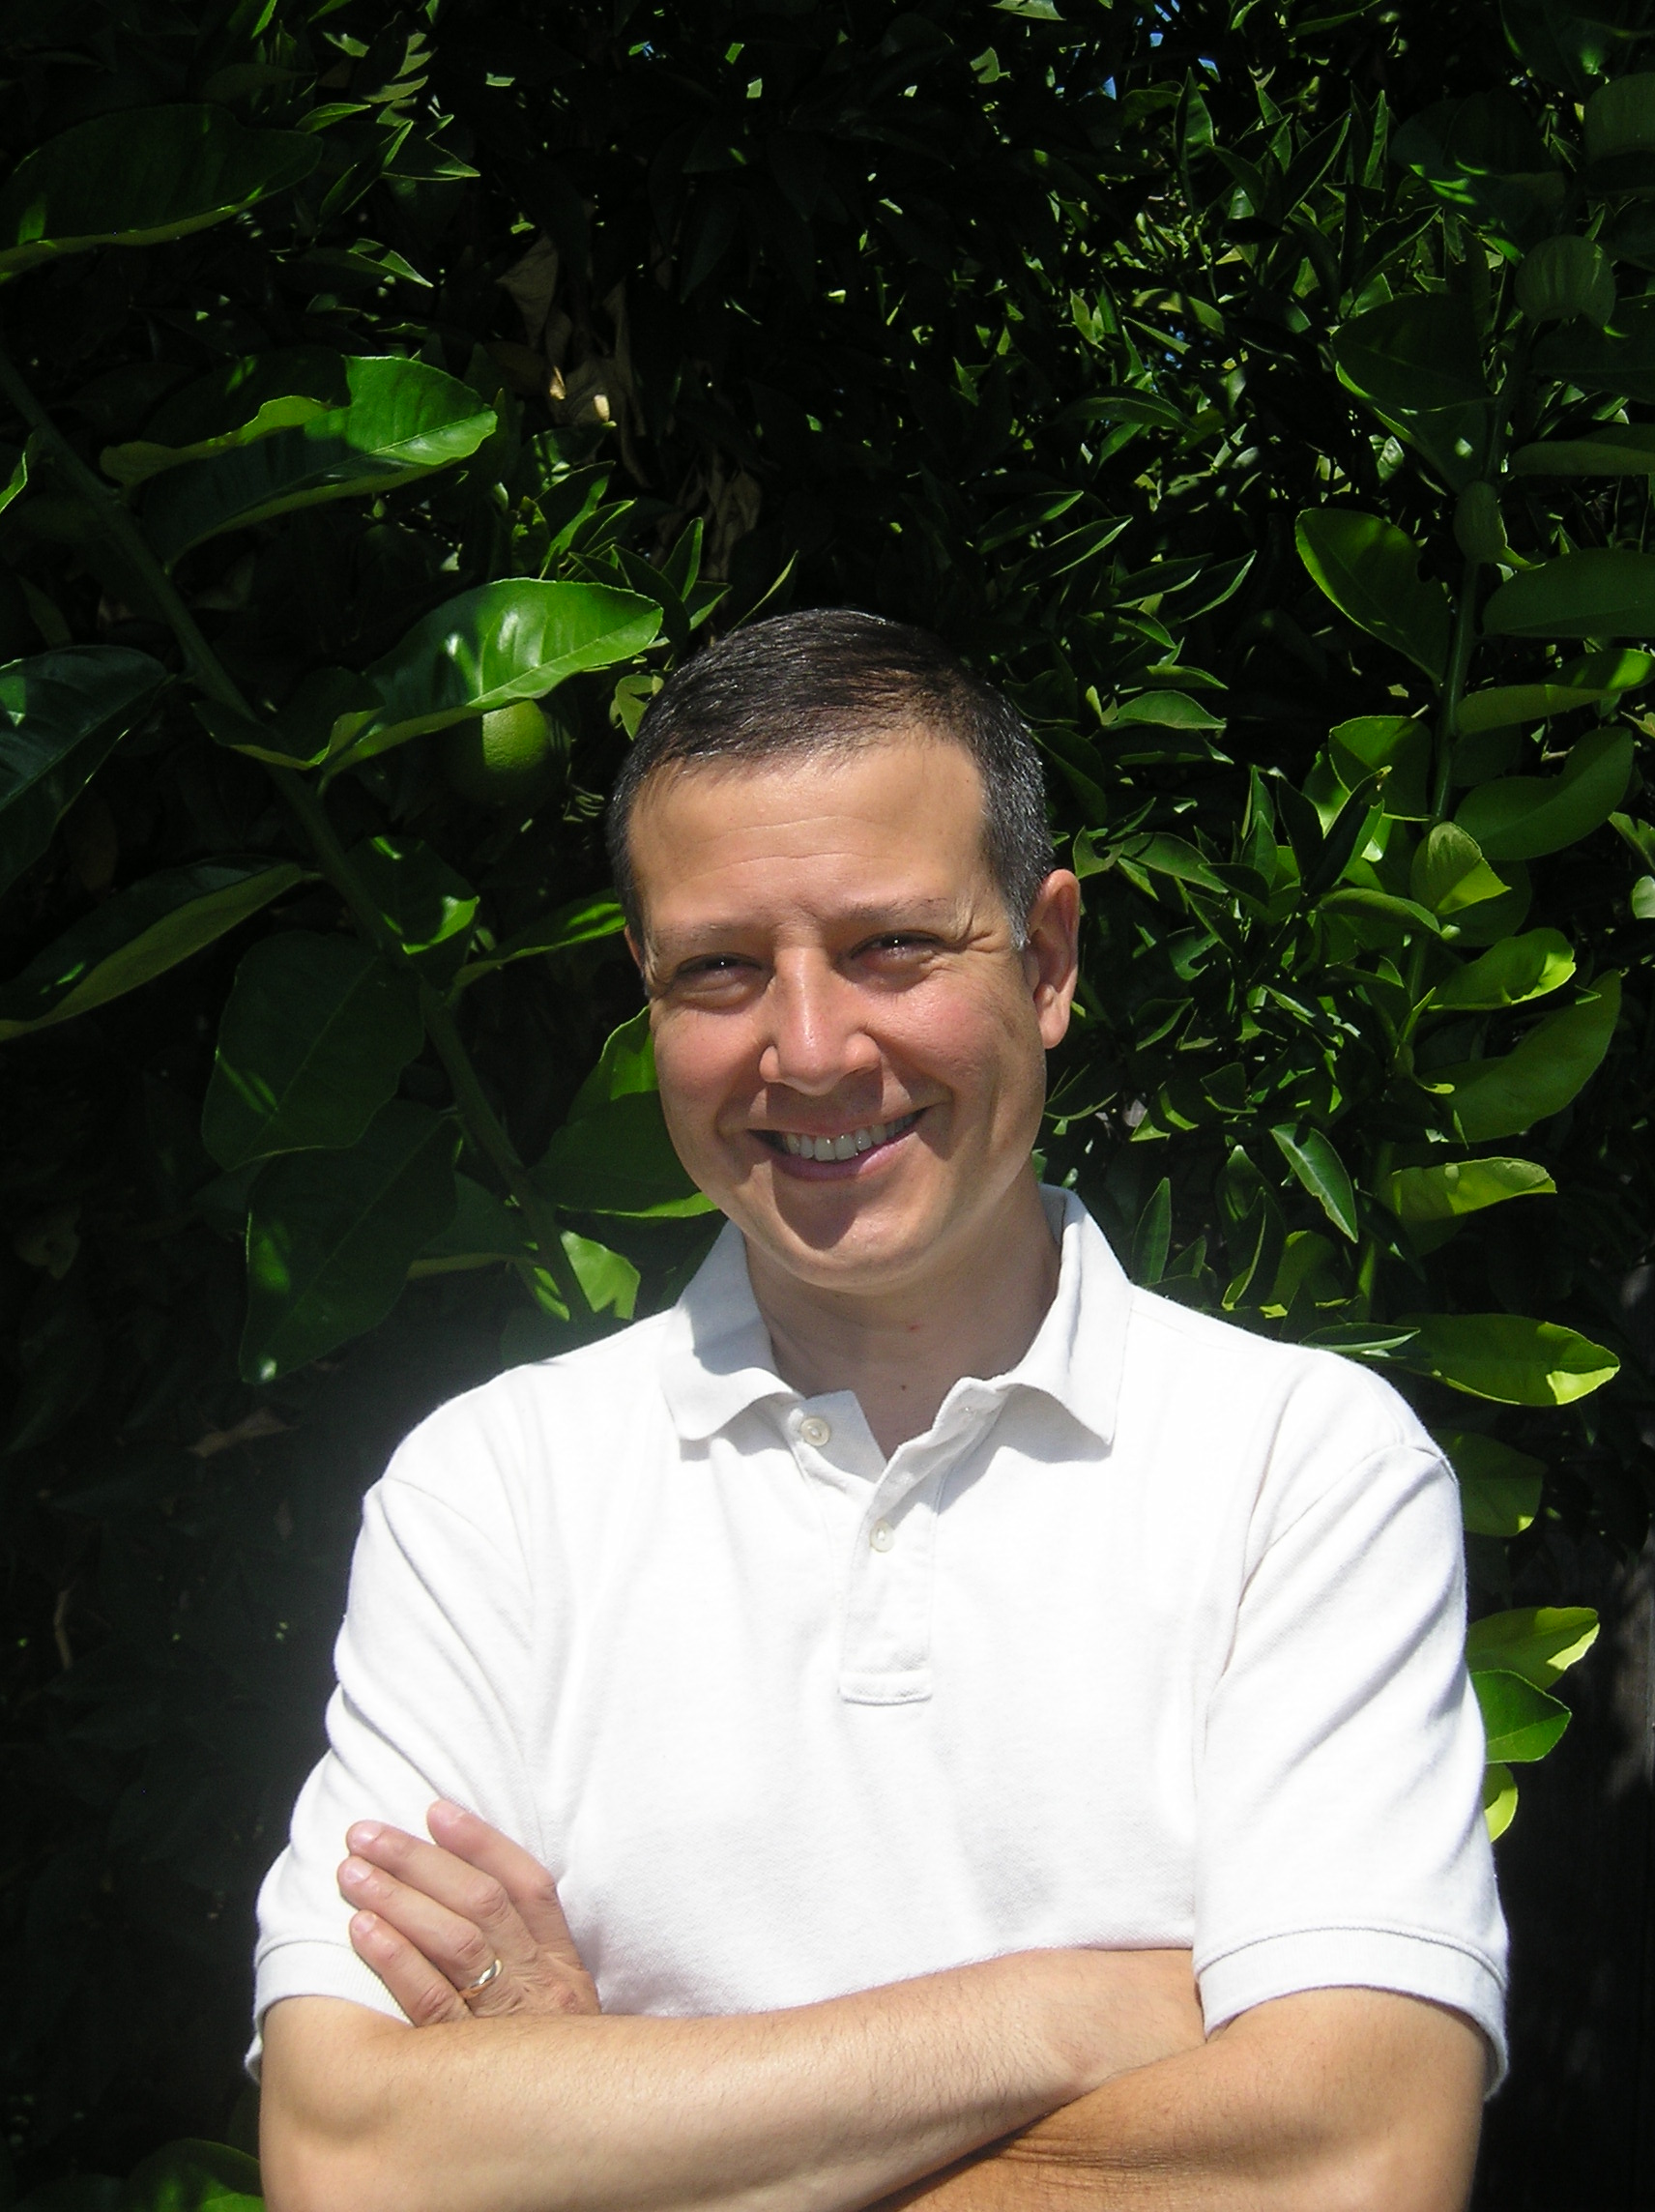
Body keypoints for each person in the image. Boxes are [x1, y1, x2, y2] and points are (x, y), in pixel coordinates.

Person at [254, 609, 1505, 2212]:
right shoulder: (493, 1494)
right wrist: (1065, 2016)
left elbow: (1358, 2159)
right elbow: (350, 2157)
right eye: (720, 968)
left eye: (893, 947)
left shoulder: (1300, 1468)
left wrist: (594, 2125)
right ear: (646, 996)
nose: (809, 1048)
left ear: (1047, 961)